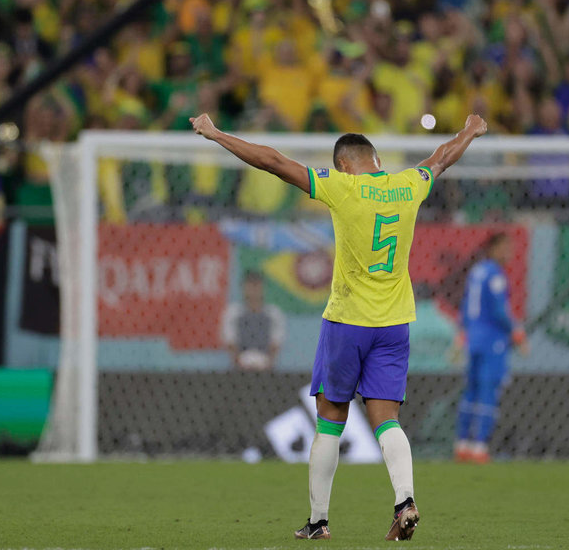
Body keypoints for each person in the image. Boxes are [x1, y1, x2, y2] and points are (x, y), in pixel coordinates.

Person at [190, 111, 488, 542]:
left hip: (347, 322)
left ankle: (318, 520)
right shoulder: (408, 185)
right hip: (394, 324)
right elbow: (442, 157)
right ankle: (405, 499)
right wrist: (470, 131)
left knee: (330, 420)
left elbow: (273, 161)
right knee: (387, 421)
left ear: (344, 164)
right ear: (377, 159)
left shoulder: (342, 186)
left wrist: (216, 135)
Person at [454, 232, 528, 464]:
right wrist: (515, 331)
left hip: (474, 337)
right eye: (506, 248)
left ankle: (462, 444)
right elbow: (498, 310)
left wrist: (464, 331)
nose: (509, 253)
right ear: (494, 249)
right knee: (488, 391)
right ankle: (479, 446)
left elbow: (466, 305)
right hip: (492, 341)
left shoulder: (477, 271)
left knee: (471, 391)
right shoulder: (496, 275)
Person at [219, 271, 285, 370]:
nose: (254, 290)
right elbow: (231, 344)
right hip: (239, 369)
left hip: (267, 369)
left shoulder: (274, 314)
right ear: (243, 288)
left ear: (263, 288)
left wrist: (266, 365)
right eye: (250, 286)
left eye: (257, 286)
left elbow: (275, 345)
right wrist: (241, 365)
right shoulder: (232, 313)